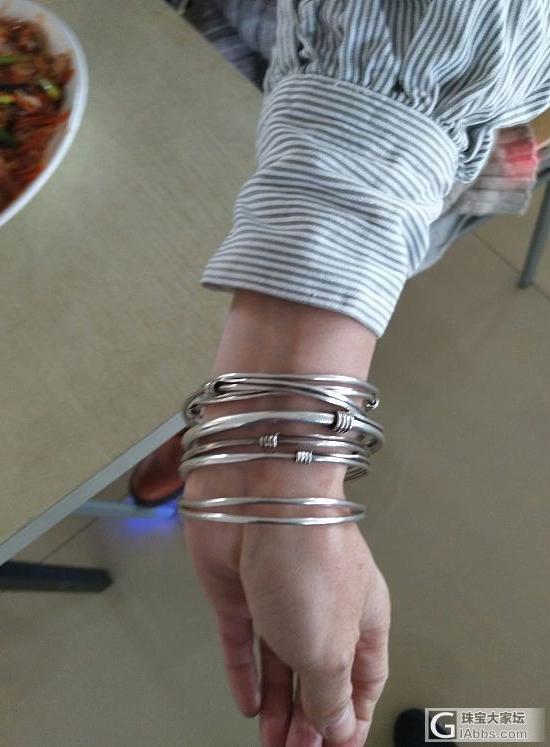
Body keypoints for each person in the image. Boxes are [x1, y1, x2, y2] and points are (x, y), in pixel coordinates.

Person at [132, 2, 550, 745]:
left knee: (362, 251)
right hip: (271, 37)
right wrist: (279, 481)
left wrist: (279, 478)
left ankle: (214, 431)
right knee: (211, 240)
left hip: (486, 97)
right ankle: (217, 432)